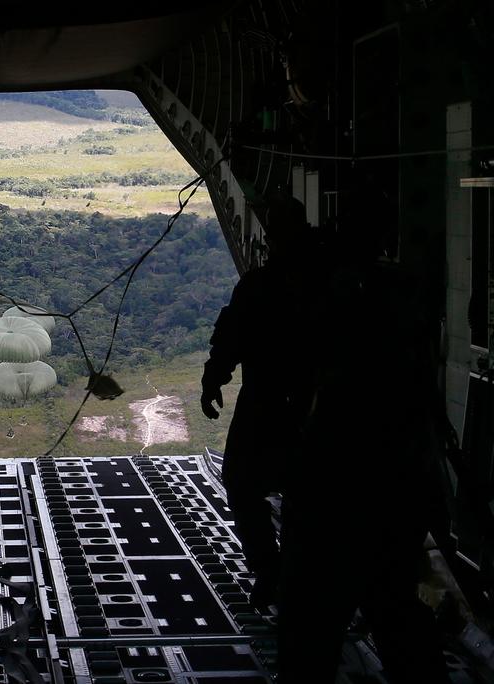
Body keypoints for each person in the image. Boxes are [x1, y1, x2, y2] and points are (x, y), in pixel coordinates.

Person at [276, 196, 448, 682]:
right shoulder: (402, 299)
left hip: (331, 480)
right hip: (391, 484)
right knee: (397, 614)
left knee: (311, 623)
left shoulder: (327, 299)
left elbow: (300, 370)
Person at [200, 195, 315, 611]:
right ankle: (293, 576)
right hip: (316, 407)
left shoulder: (261, 285)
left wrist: (214, 380)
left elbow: (231, 337)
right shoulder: (331, 285)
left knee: (244, 485)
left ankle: (272, 572)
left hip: (266, 402)